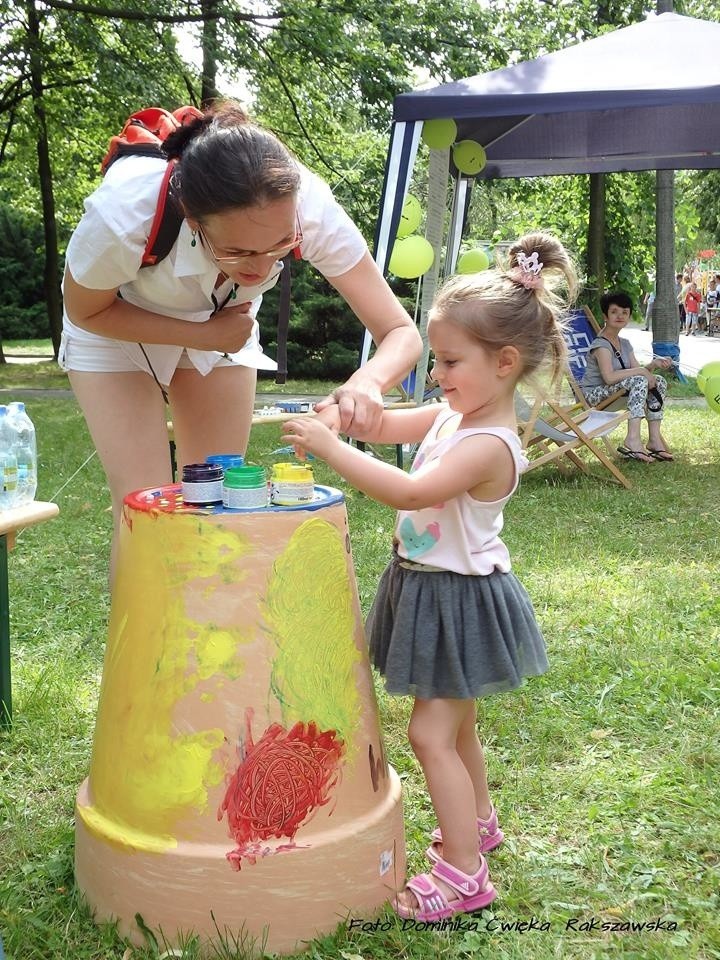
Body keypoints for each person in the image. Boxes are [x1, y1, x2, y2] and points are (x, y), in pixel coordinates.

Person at [282, 232, 574, 921]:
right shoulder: (453, 414)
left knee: (430, 736)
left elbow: (412, 495)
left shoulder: (487, 444)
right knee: (459, 730)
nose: (437, 374)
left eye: (449, 361)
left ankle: (464, 875)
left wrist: (331, 452)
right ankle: (479, 823)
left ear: (504, 363)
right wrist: (348, 414)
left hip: (460, 601)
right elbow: (384, 426)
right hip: (430, 588)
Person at [61, 100, 421, 579]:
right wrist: (203, 333)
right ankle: (148, 651)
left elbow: (400, 332)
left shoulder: (307, 208)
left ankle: (208, 644)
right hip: (114, 328)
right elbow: (86, 309)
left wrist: (368, 382)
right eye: (235, 250)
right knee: (144, 505)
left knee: (217, 499)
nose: (258, 266)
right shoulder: (123, 216)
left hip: (223, 331)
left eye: (277, 247)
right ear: (192, 219)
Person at [581, 291, 674, 463]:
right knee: (640, 379)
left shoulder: (624, 343)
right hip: (595, 396)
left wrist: (653, 365)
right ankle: (632, 439)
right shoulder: (601, 345)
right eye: (614, 311)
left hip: (617, 393)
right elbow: (609, 378)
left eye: (625, 312)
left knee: (658, 381)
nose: (620, 316)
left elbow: (637, 371)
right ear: (605, 316)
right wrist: (642, 372)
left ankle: (654, 440)